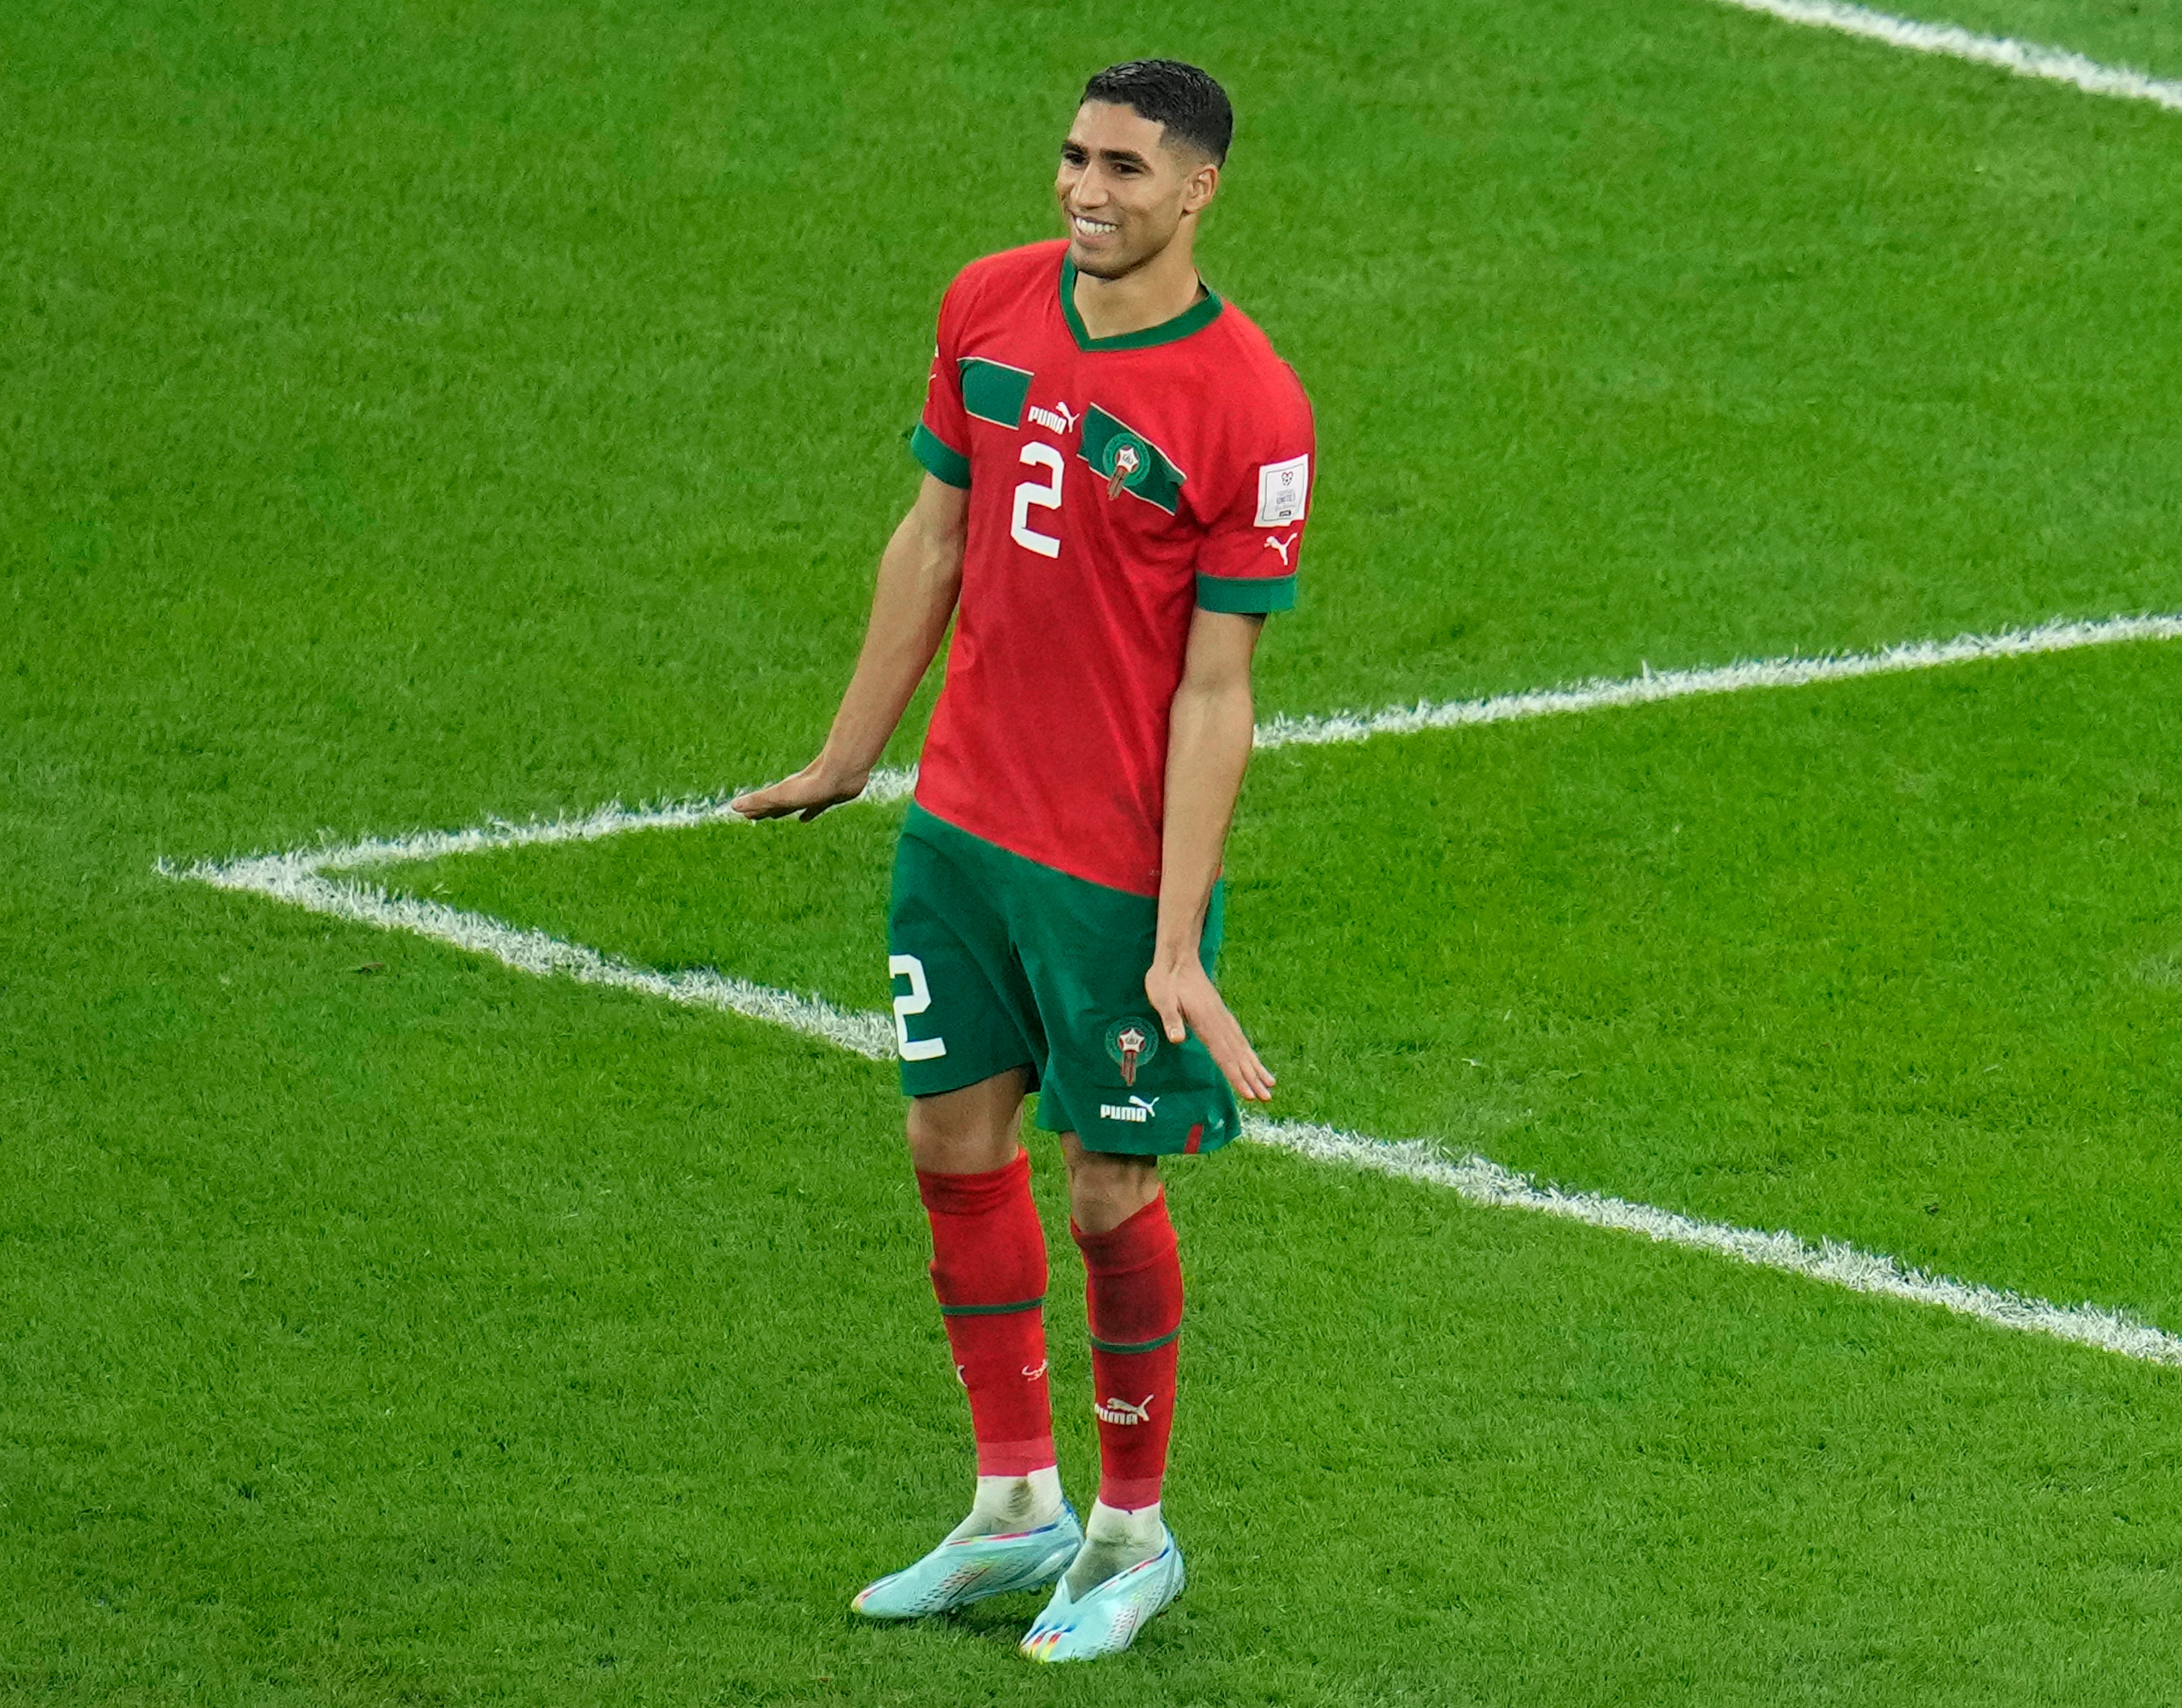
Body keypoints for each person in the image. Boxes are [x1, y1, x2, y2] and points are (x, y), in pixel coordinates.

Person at [733, 57, 1313, 1664]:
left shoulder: (1249, 405)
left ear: (1198, 190)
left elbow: (1220, 691)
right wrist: (853, 755)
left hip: (1108, 867)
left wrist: (1180, 937)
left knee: (1109, 1182)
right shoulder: (988, 305)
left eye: (1126, 170)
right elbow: (932, 535)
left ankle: (1132, 1533)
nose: (1086, 192)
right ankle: (1015, 1509)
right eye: (1073, 158)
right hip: (964, 829)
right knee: (945, 1145)